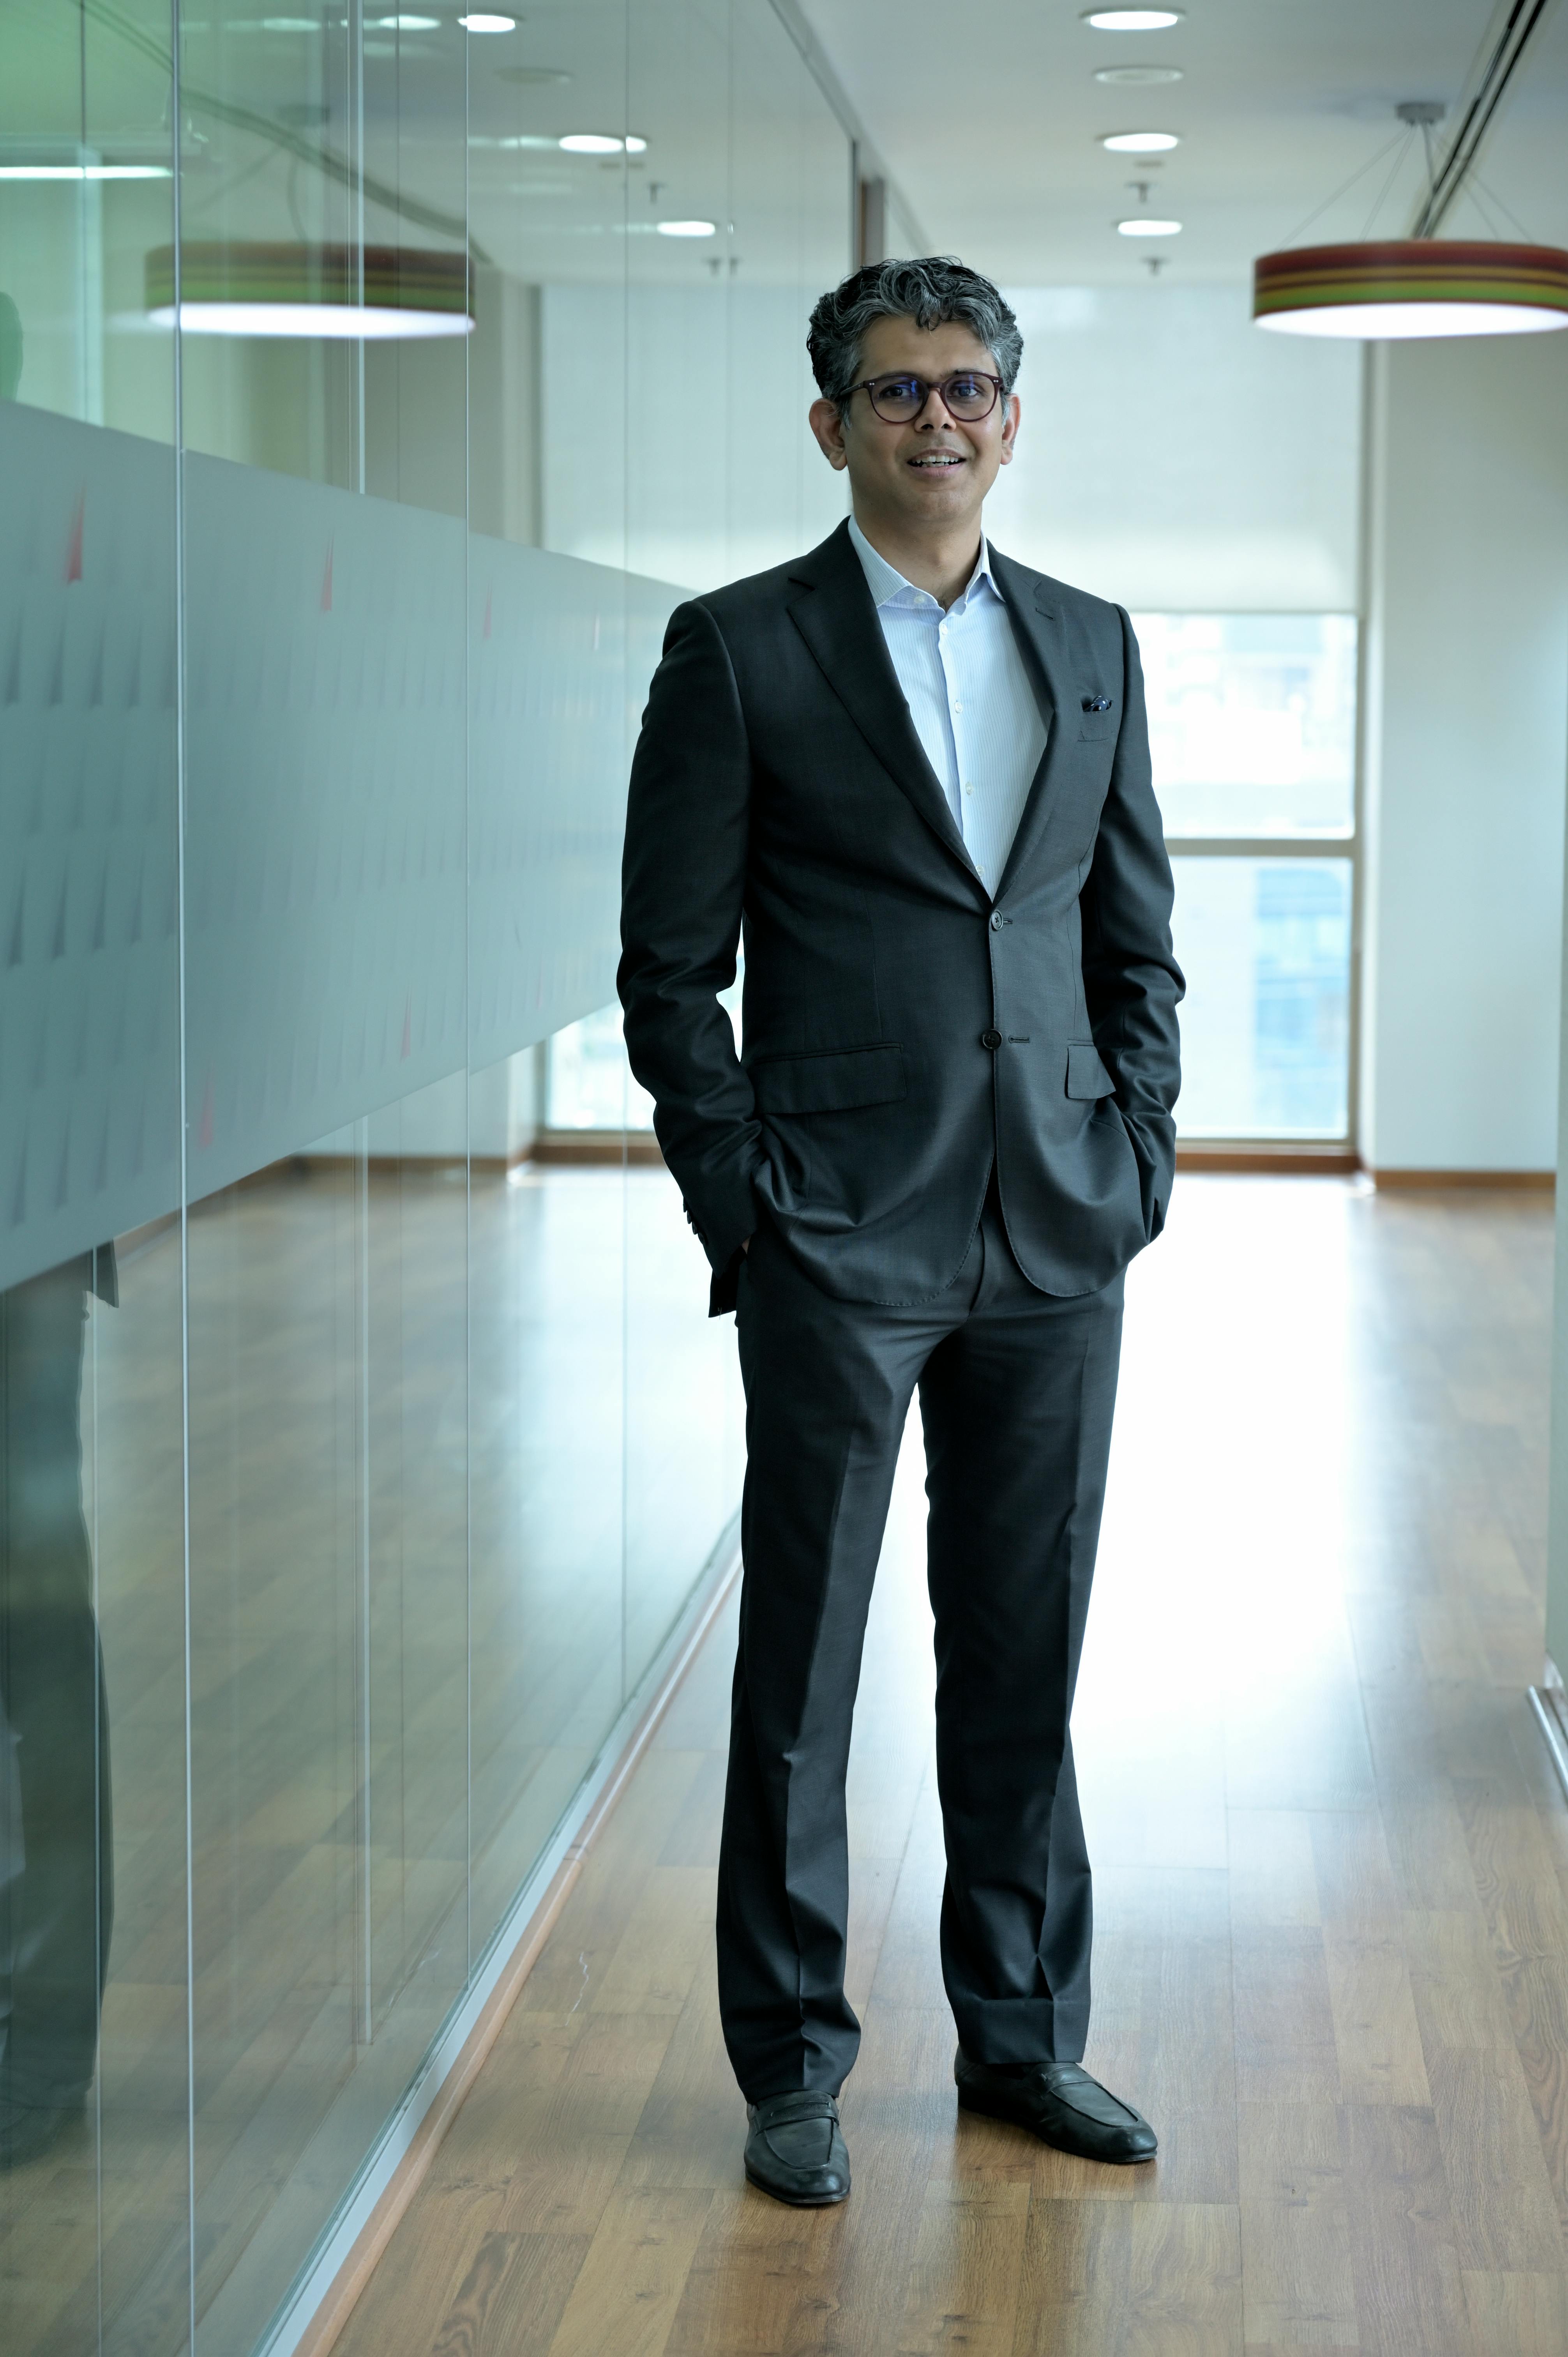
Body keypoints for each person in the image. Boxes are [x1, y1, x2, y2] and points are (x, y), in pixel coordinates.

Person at [618, 256, 1182, 2206]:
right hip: (837, 1233)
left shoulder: (1093, 642)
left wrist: (1141, 1158)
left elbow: (1134, 940)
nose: (935, 419)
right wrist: (747, 1208)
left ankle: (1024, 2040)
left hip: (1056, 1227)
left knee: (1022, 1652)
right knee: (806, 1665)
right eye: (894, 392)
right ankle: (790, 2062)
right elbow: (669, 973)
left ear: (1012, 418)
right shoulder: (742, 650)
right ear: (831, 424)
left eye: (967, 388)